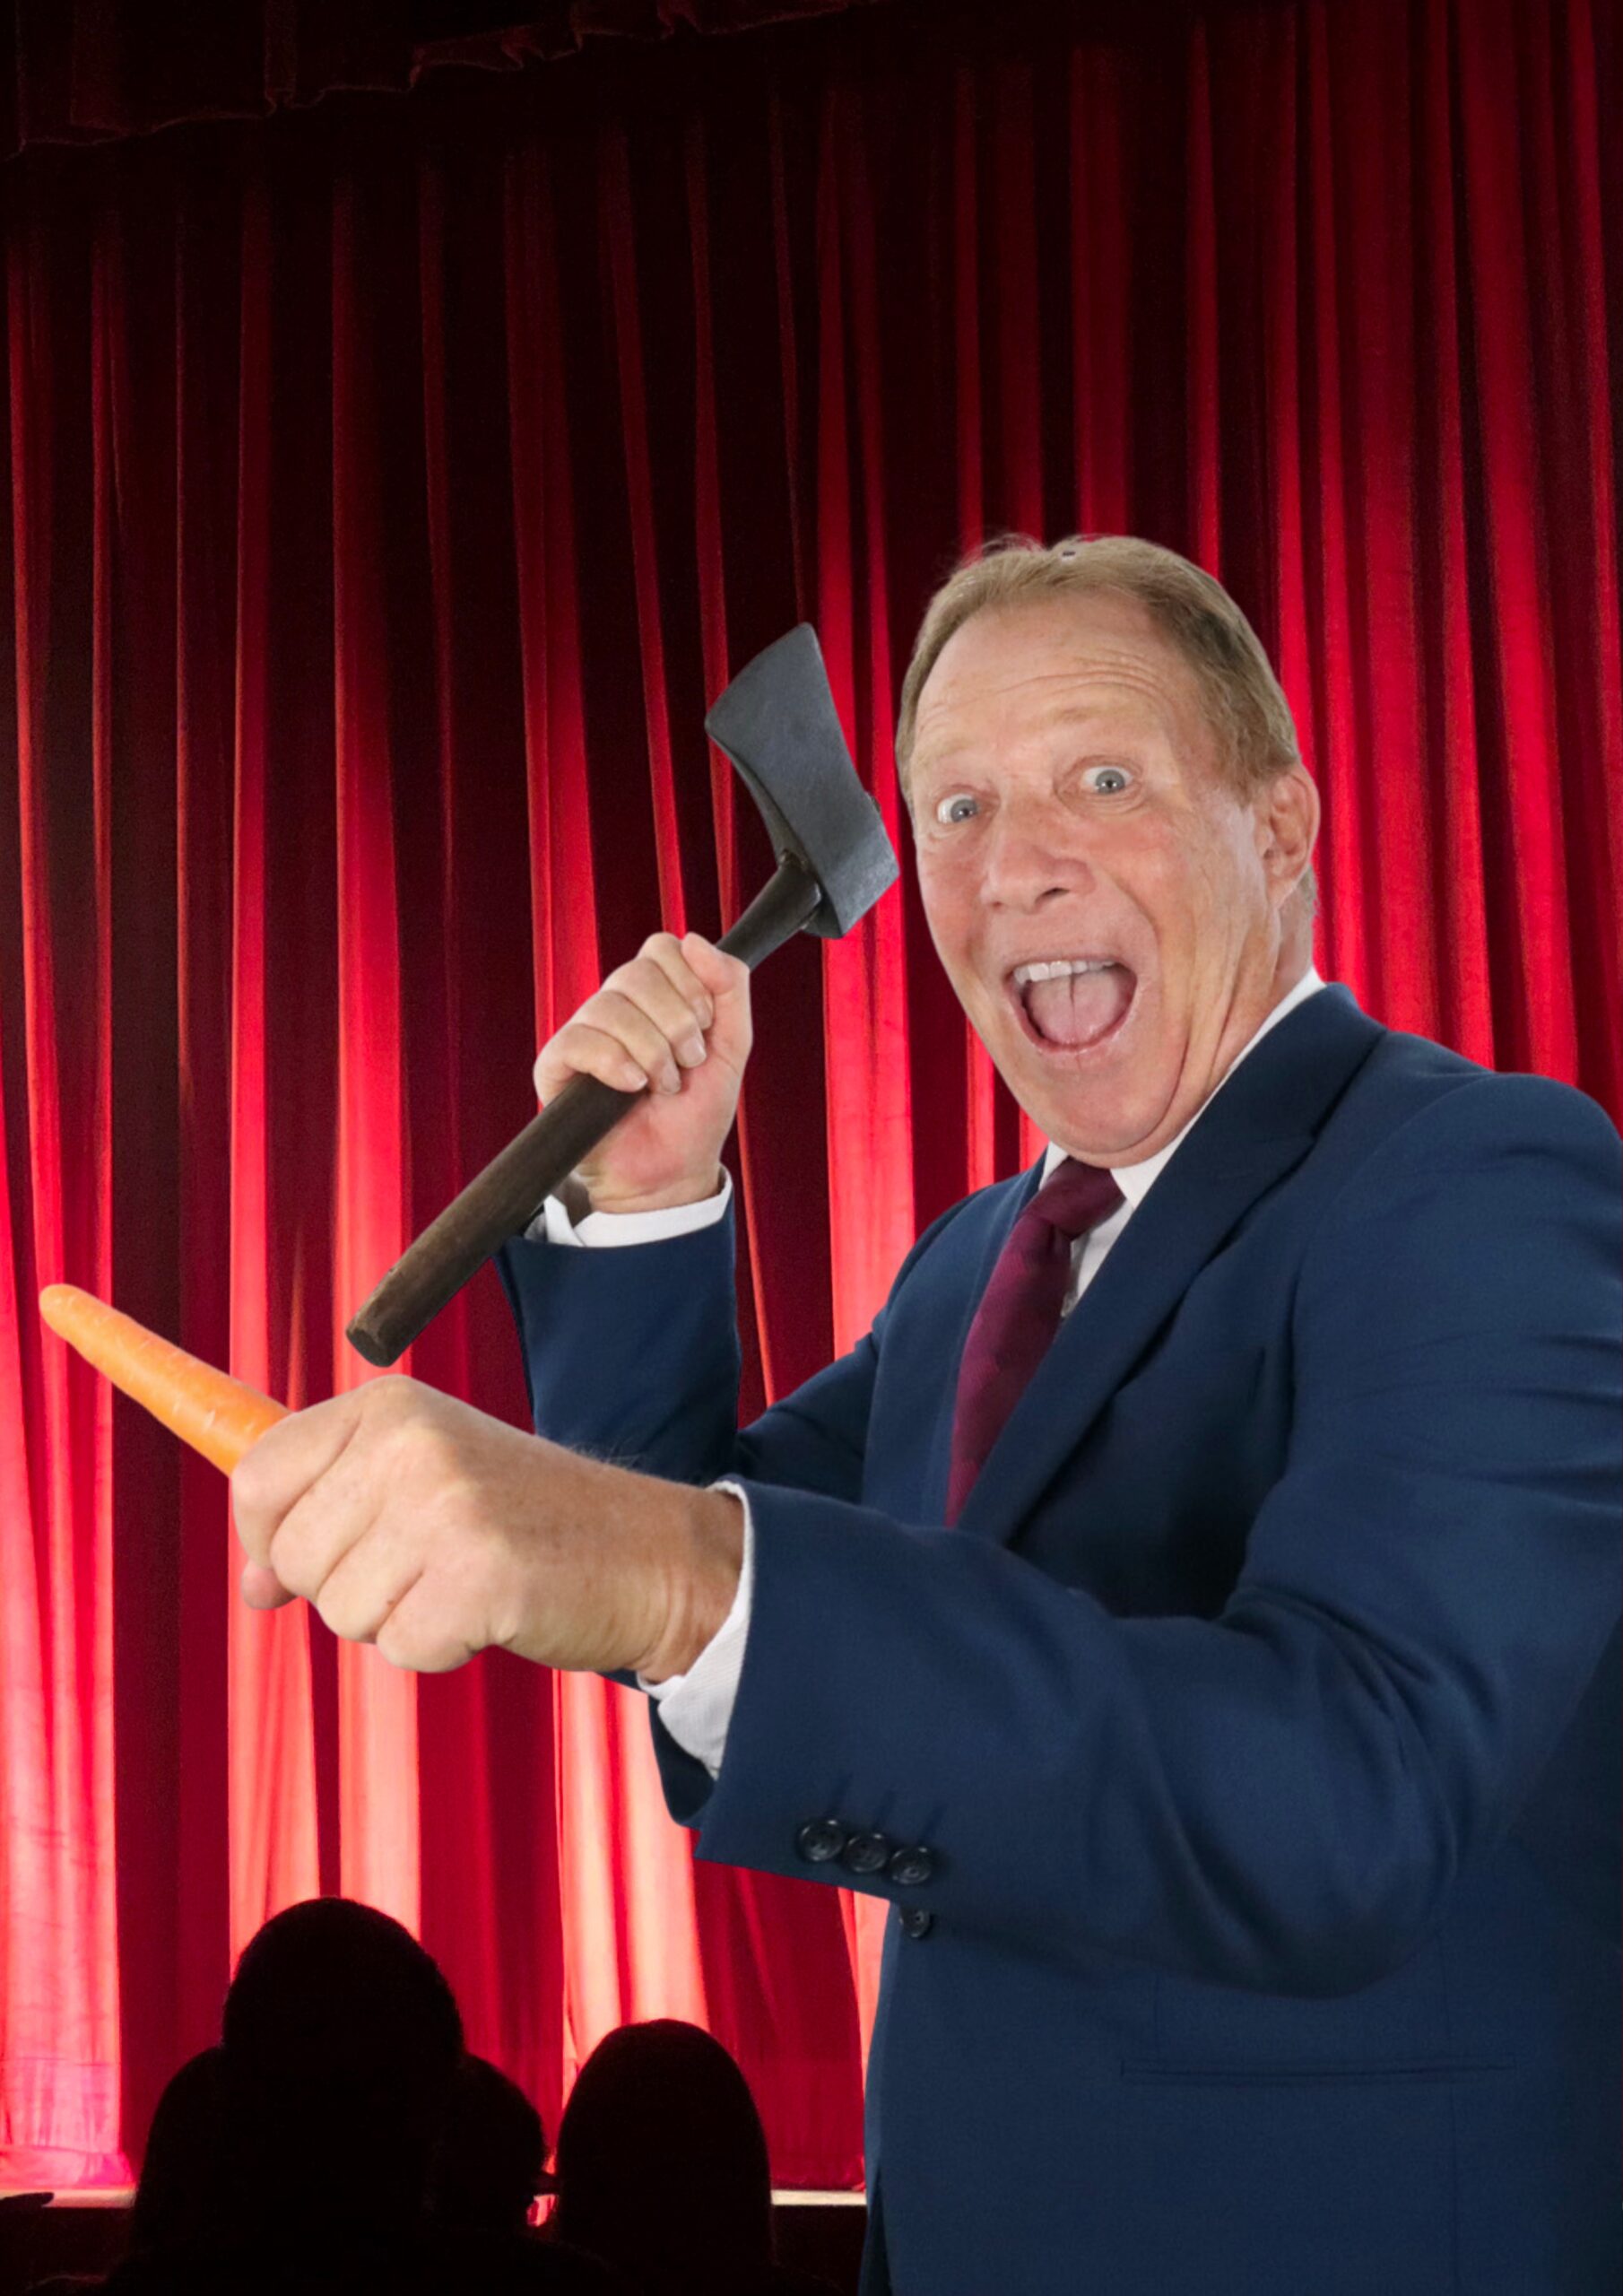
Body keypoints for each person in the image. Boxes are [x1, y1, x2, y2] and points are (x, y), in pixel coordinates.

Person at [229, 536, 1621, 2294]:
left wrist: (674, 1572)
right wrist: (646, 1199)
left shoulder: (1475, 1177)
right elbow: (712, 1614)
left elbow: (1348, 1797)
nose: (1015, 865)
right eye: (955, 809)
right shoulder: (973, 1266)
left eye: (1100, 780)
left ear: (1277, 829)